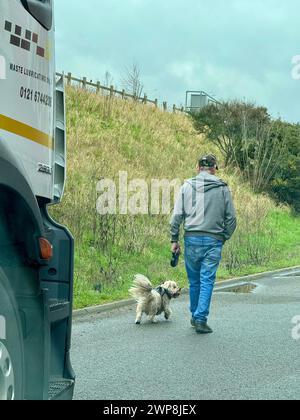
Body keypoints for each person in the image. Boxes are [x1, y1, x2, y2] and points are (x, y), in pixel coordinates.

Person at [170, 154, 237, 334]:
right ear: (214, 168)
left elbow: (176, 216)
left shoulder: (186, 186)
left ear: (198, 167)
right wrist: (223, 237)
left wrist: (174, 239)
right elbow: (231, 219)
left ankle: (194, 315)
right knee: (207, 280)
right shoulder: (223, 189)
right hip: (214, 240)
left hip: (191, 238)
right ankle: (200, 319)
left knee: (194, 281)